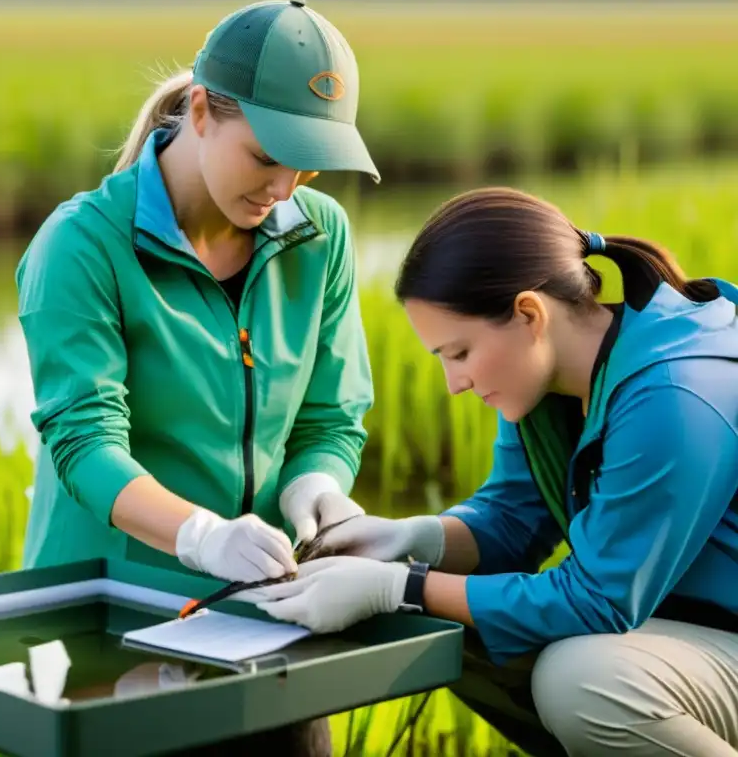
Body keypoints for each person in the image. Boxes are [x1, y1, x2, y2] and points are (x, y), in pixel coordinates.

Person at [250, 187, 738, 756]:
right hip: (684, 632)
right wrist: (409, 538)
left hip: (715, 635)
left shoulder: (674, 396)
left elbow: (597, 602)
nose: (455, 383)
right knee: (449, 630)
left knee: (584, 681)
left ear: (529, 314)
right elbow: (510, 522)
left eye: (460, 353)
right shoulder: (546, 382)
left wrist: (399, 586)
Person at [14, 0, 377, 754]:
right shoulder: (81, 246)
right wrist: (201, 537)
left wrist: (317, 485)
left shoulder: (320, 235)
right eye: (267, 155)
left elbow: (329, 418)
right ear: (205, 111)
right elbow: (84, 444)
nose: (285, 188)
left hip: (265, 619)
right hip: (107, 622)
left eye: (307, 162)